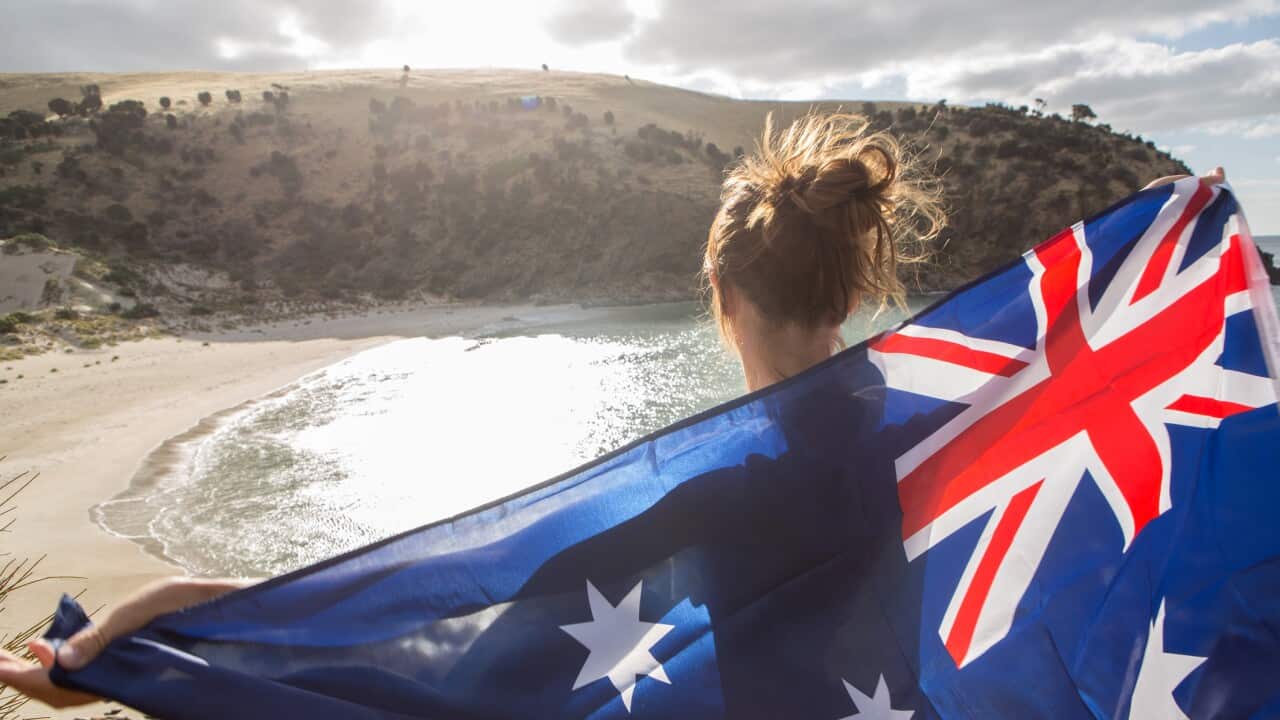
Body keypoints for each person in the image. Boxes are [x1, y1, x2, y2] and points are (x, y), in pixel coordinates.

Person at [0, 112, 1226, 710]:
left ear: (716, 295)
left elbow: (446, 620)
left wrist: (164, 635)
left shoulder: (709, 494)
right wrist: (1176, 253)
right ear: (859, 283)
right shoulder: (940, 435)